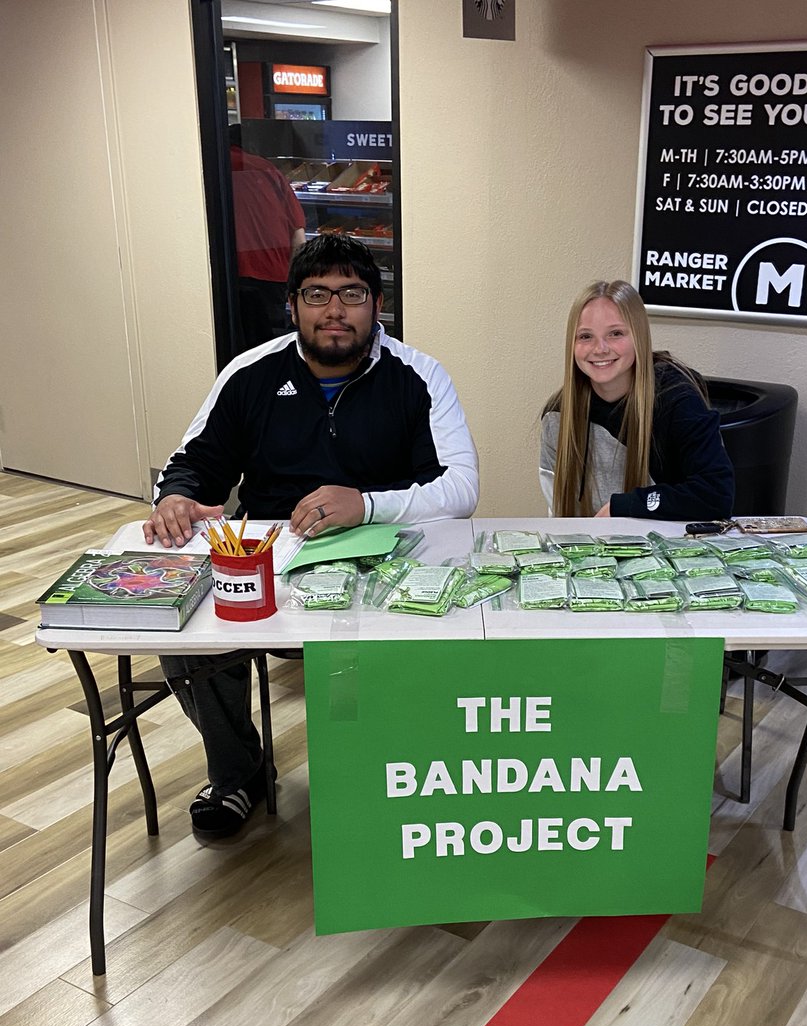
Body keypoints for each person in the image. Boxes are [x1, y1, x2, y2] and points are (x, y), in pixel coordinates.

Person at [143, 234, 479, 836]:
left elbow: (461, 488)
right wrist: (173, 499)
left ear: (377, 304)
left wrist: (369, 504)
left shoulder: (418, 375)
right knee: (186, 628)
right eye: (317, 294)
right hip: (270, 560)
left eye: (351, 293)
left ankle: (388, 772)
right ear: (292, 305)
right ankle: (239, 772)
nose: (334, 310)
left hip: (384, 563)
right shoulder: (249, 374)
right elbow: (192, 463)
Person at [539, 280, 734, 520]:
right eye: (585, 336)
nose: (600, 348)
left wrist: (624, 506)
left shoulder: (677, 398)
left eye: (615, 333)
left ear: (638, 337)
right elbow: (559, 515)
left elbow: (716, 495)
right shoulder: (558, 415)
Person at [229, 124, 307, 349]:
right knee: (271, 349)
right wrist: (295, 285)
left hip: (231, 277)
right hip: (272, 275)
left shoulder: (212, 166)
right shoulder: (268, 170)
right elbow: (299, 238)